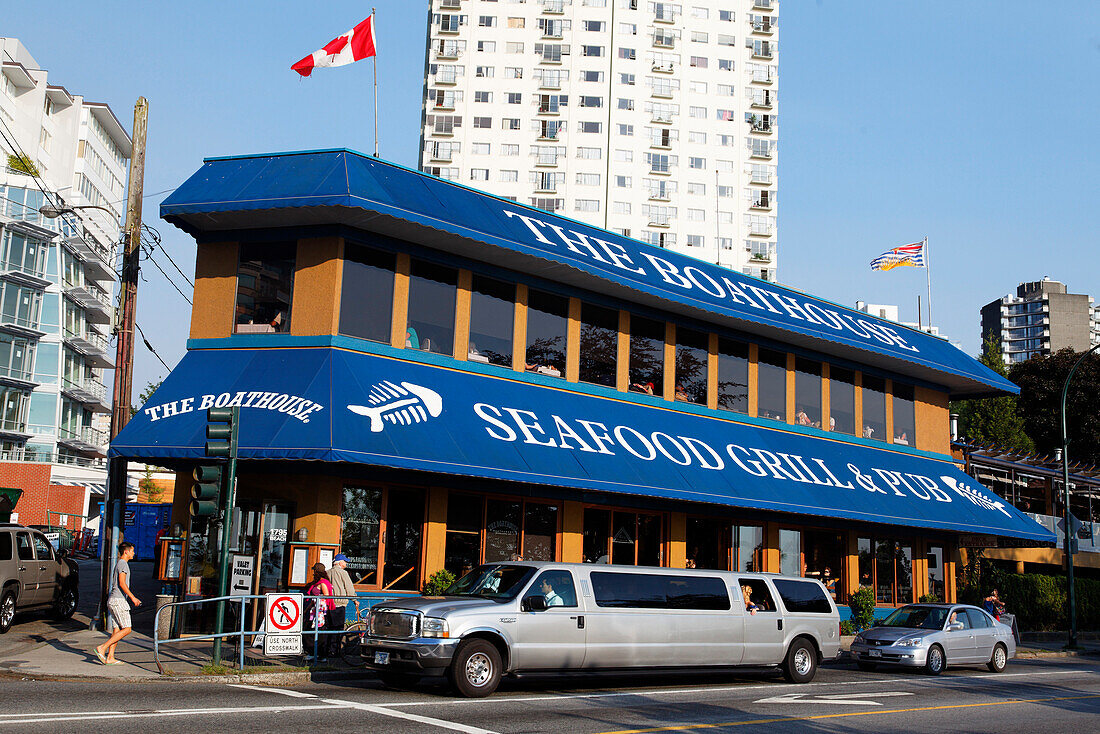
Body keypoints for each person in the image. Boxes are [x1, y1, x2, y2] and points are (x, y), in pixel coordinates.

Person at [95, 542, 141, 665]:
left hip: (113, 600)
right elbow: (122, 583)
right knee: (127, 629)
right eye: (132, 551)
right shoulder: (123, 564)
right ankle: (102, 648)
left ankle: (110, 657)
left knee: (116, 630)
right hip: (119, 601)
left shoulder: (120, 564)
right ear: (126, 552)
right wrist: (133, 598)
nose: (133, 553)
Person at [328, 554, 356, 655]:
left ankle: (328, 649)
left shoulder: (328, 572)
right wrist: (354, 599)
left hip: (329, 603)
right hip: (340, 603)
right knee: (338, 628)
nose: (346, 563)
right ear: (340, 562)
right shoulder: (343, 573)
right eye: (345, 561)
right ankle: (335, 650)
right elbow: (349, 588)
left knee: (329, 627)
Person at [307, 563, 335, 658]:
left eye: (314, 571)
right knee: (312, 630)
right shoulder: (319, 582)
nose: (313, 573)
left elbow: (326, 595)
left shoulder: (323, 583)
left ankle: (317, 654)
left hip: (320, 612)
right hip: (315, 609)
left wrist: (317, 599)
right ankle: (316, 653)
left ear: (316, 571)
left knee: (316, 631)